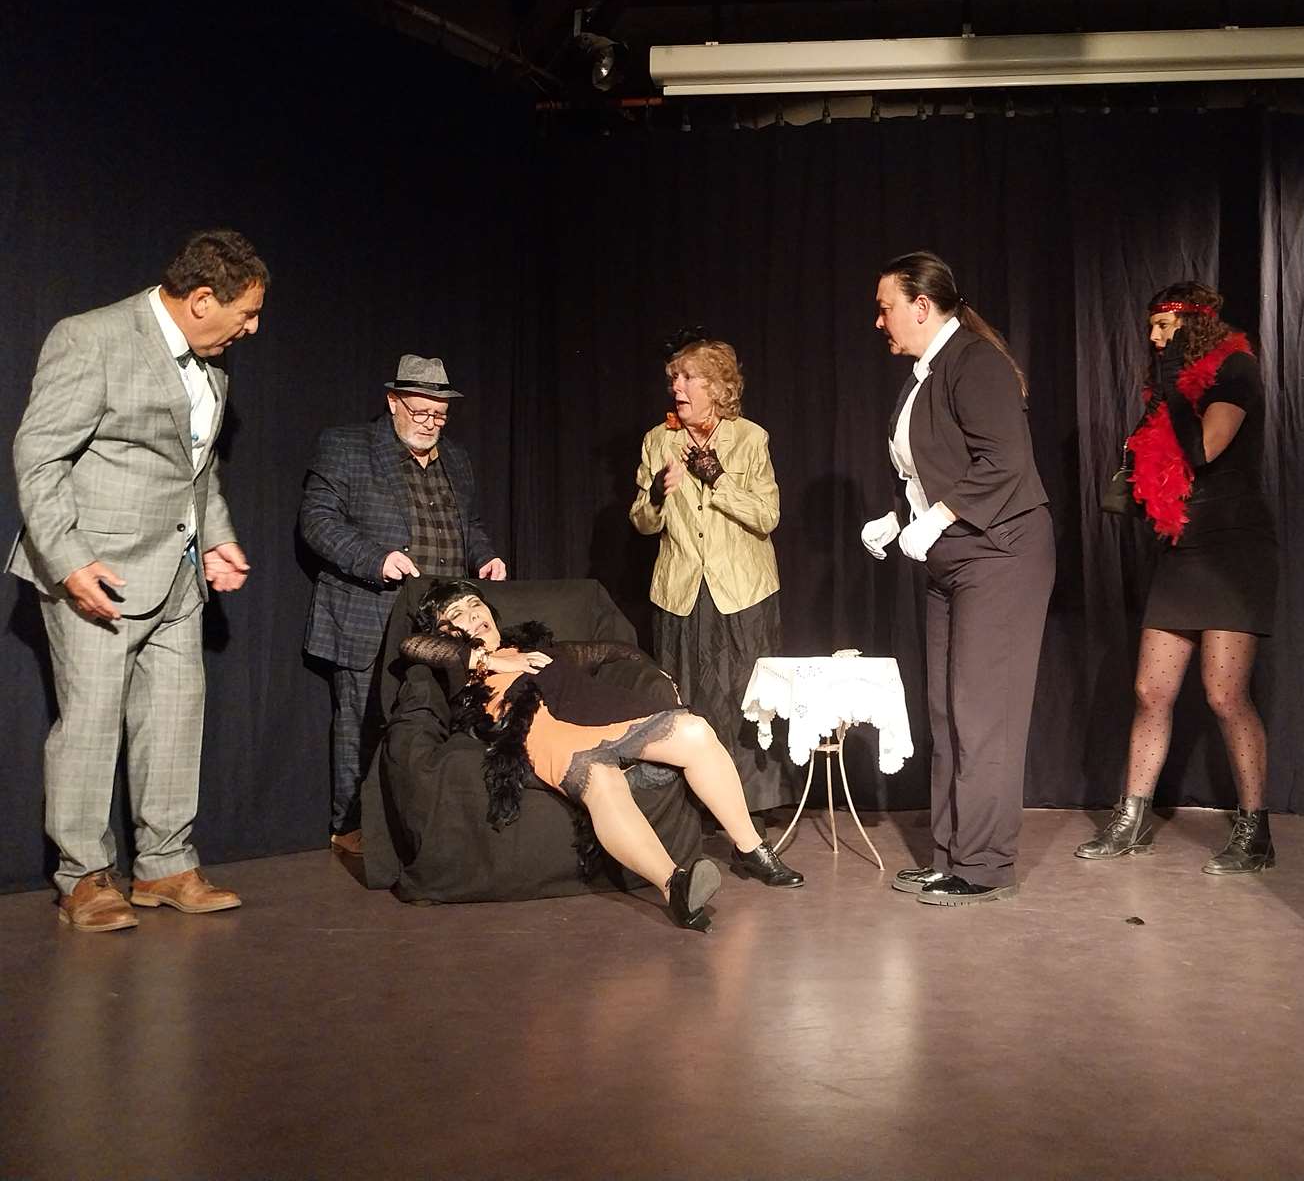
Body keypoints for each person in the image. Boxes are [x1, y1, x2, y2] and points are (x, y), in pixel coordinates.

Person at [8, 228, 268, 931]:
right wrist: (68, 559)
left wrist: (217, 537)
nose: (252, 327)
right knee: (91, 724)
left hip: (177, 571)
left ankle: (164, 865)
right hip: (100, 570)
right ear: (202, 299)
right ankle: (84, 876)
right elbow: (39, 457)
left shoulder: (212, 365)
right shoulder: (91, 338)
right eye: (245, 313)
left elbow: (196, 466)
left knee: (176, 719)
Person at [400, 579, 803, 931]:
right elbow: (411, 645)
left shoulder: (533, 649)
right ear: (444, 631)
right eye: (458, 614)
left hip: (596, 710)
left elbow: (604, 651)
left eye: (476, 605)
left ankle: (750, 849)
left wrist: (650, 667)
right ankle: (675, 886)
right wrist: (492, 660)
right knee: (601, 779)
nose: (473, 615)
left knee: (694, 731)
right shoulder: (459, 666)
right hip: (544, 730)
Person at [863, 251, 1055, 906]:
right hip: (951, 556)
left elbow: (1004, 461)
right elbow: (935, 469)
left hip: (1000, 554)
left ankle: (984, 865)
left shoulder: (975, 362)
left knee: (983, 714)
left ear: (921, 306)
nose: (879, 320)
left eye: (886, 307)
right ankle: (950, 854)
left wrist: (939, 517)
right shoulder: (924, 375)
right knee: (948, 712)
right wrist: (897, 519)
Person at [1076, 282, 1279, 873]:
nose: (1154, 338)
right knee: (1150, 690)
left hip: (1233, 550)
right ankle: (1132, 819)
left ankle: (1255, 831)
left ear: (1195, 325)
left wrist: (1171, 392)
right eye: (1152, 328)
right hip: (1183, 548)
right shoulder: (1167, 390)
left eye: (1164, 327)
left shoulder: (1236, 370)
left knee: (1224, 694)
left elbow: (1206, 450)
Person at [299, 356, 506, 856]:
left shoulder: (456, 458)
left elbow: (469, 525)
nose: (431, 424)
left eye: (440, 415)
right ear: (393, 402)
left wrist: (485, 555)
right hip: (370, 612)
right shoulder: (348, 447)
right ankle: (352, 827)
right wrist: (376, 559)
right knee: (363, 723)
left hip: (439, 622)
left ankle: (424, 827)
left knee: (437, 720)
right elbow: (318, 521)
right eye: (420, 412)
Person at [628, 333, 789, 816]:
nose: (676, 387)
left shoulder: (750, 439)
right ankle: (690, 808)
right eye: (674, 378)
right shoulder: (659, 441)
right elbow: (642, 522)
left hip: (742, 591)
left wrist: (717, 479)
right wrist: (658, 493)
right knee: (686, 699)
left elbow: (766, 517)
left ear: (717, 387)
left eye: (688, 378)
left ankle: (749, 811)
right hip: (680, 590)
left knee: (744, 699)